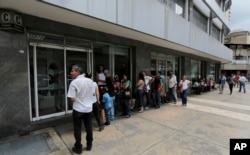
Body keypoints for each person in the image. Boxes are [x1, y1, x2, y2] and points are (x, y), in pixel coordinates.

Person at [67, 65, 94, 154]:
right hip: (88, 109)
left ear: (78, 72)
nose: (71, 73)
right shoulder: (90, 81)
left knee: (77, 129)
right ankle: (89, 145)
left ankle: (78, 148)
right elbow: (93, 94)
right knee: (89, 127)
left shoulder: (74, 82)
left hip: (78, 109)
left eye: (72, 71)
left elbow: (72, 99)